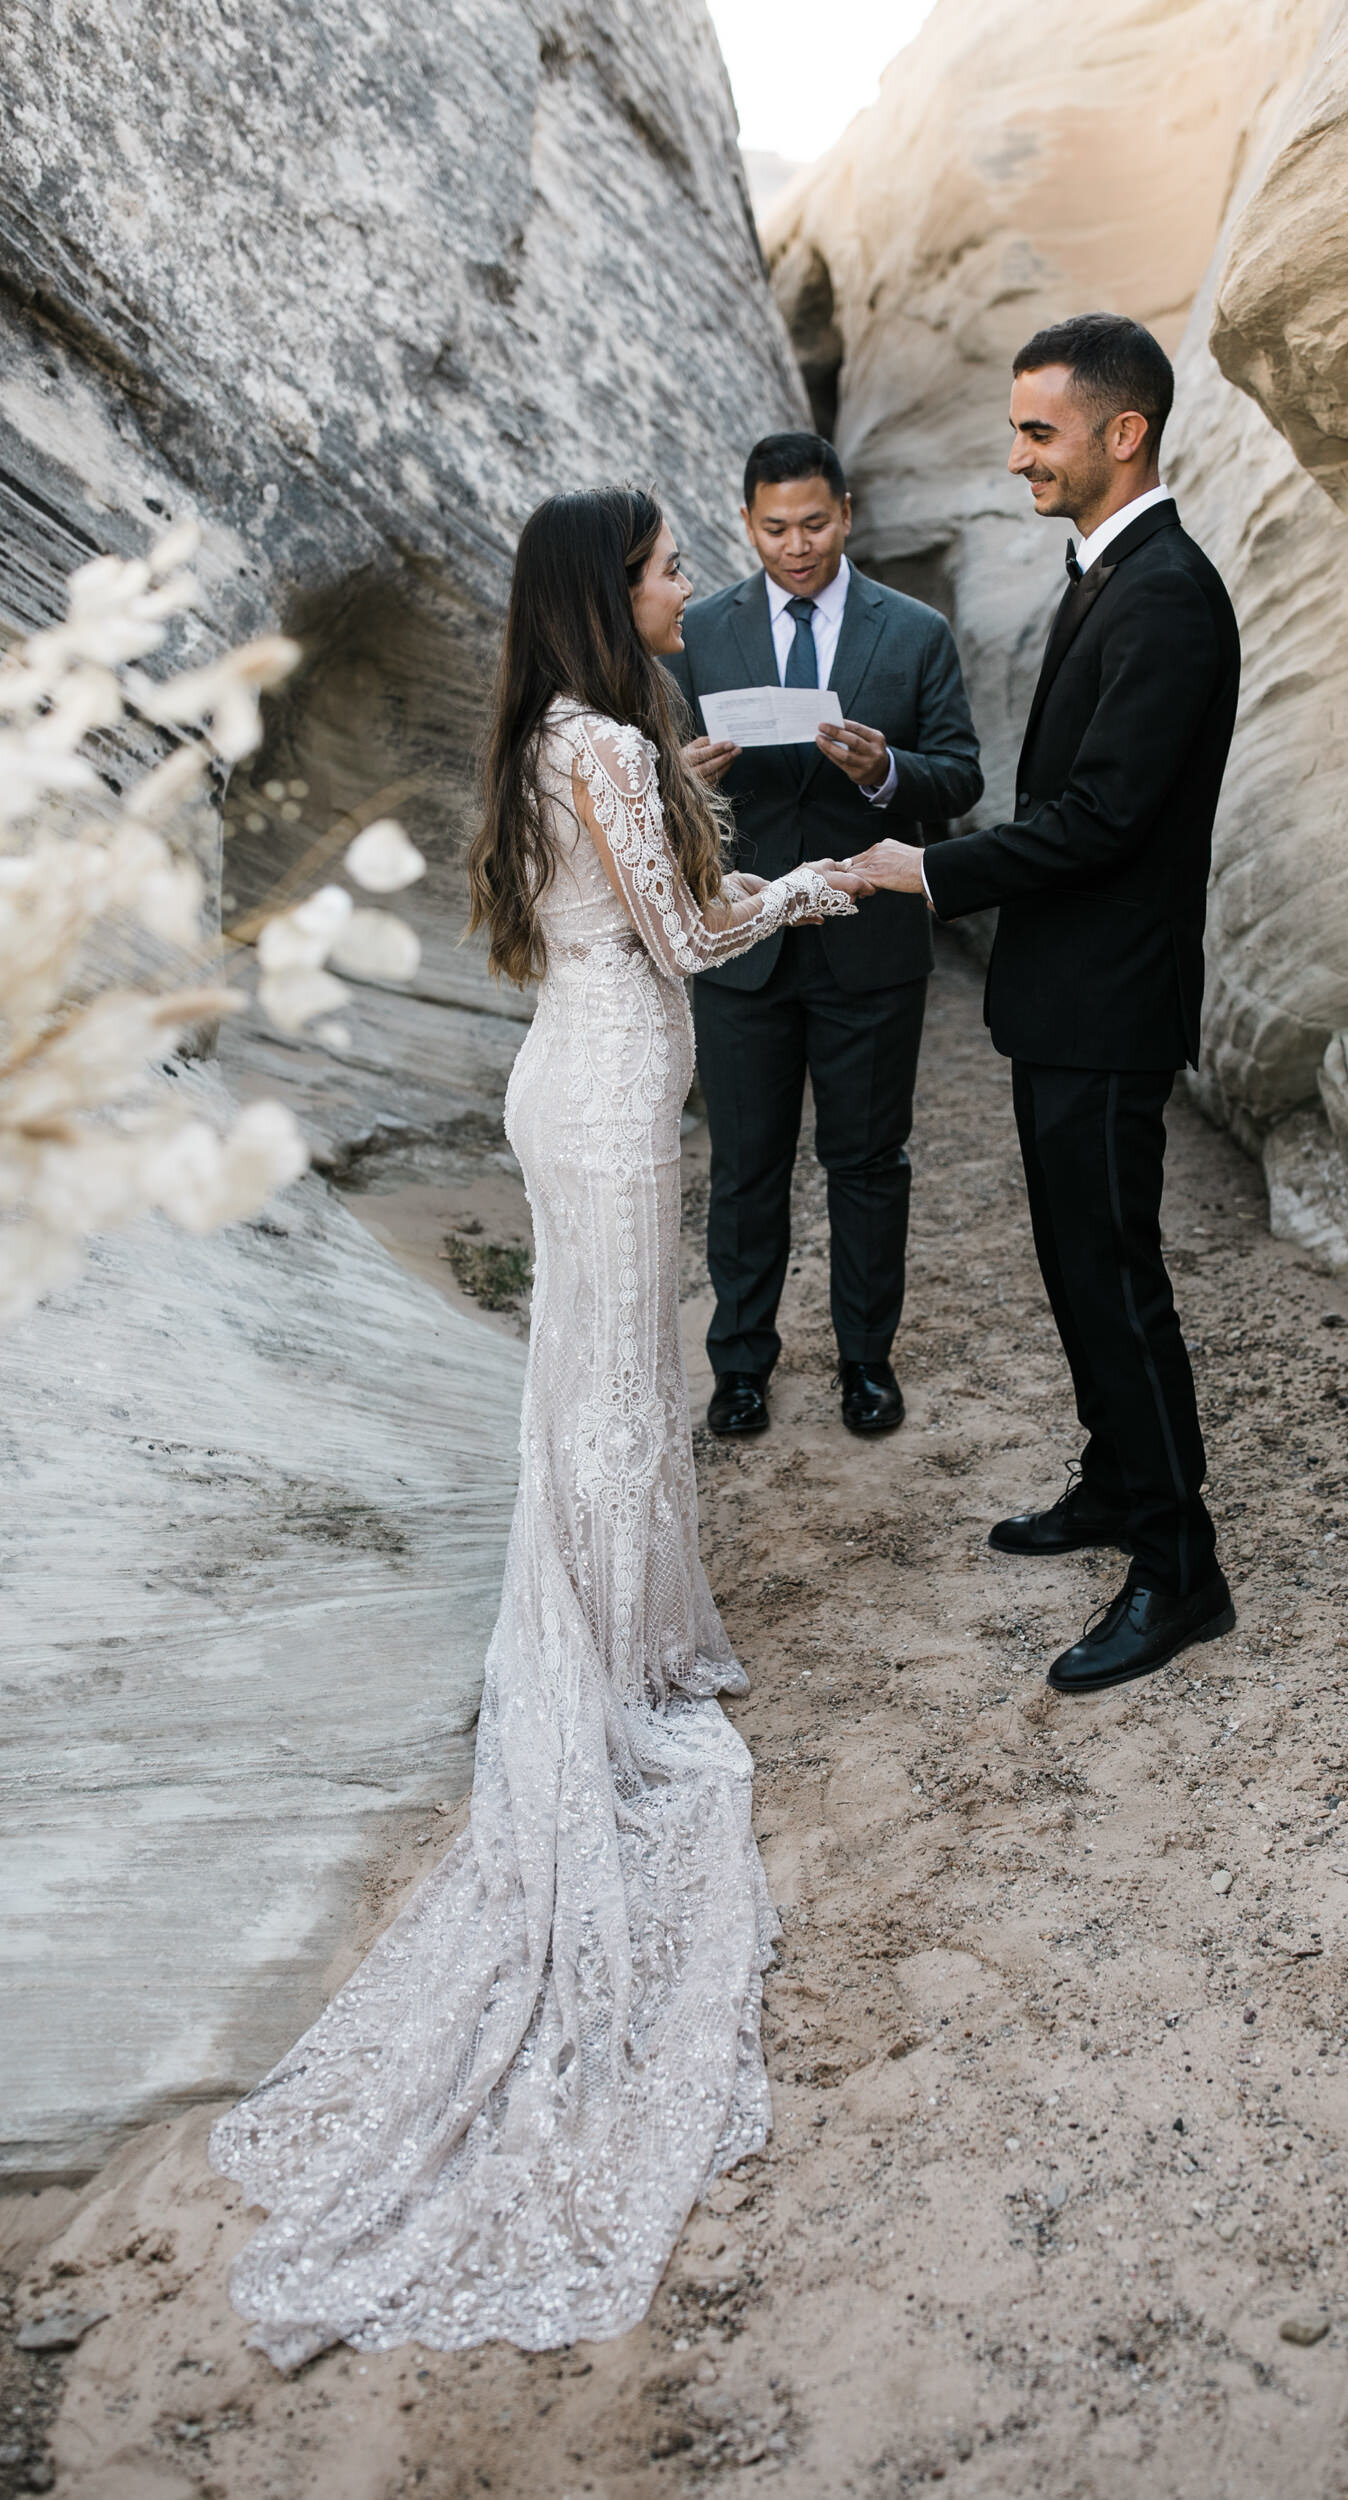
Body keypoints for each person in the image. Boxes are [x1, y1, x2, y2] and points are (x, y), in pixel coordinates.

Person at [209, 488, 868, 2366]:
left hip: (584, 1077)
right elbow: (692, 935)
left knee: (620, 1392)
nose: (686, 588)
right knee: (604, 1395)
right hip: (594, 1088)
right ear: (611, 593)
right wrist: (833, 877)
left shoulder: (573, 733)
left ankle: (636, 1630)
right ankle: (602, 1665)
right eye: (668, 568)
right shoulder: (594, 740)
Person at [852, 314, 1238, 1696]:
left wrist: (928, 868)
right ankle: (1116, 1481)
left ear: (1120, 432)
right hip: (1069, 993)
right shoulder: (1109, 572)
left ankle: (1179, 1569)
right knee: (1080, 1265)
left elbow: (1103, 818)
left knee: (1114, 1275)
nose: (1014, 453)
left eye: (1036, 430)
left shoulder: (1164, 593)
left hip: (1108, 999)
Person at [665, 431, 982, 1440]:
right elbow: (647, 783)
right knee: (746, 1165)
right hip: (743, 938)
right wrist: (684, 779)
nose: (794, 546)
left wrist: (887, 773)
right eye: (772, 528)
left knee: (867, 1160)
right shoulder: (698, 629)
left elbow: (962, 775)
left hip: (868, 942)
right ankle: (741, 1367)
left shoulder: (916, 630)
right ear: (745, 523)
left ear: (845, 513)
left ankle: (865, 1362)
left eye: (812, 523)